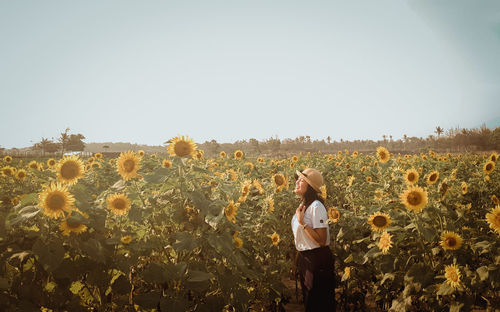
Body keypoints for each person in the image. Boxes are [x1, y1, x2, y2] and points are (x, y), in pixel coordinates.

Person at [291, 168, 336, 311]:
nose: (297, 181)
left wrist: (302, 223)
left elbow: (321, 240)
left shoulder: (316, 206)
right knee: (310, 302)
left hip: (317, 260)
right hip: (307, 258)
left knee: (318, 303)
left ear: (309, 186)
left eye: (301, 180)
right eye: (297, 178)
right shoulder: (304, 205)